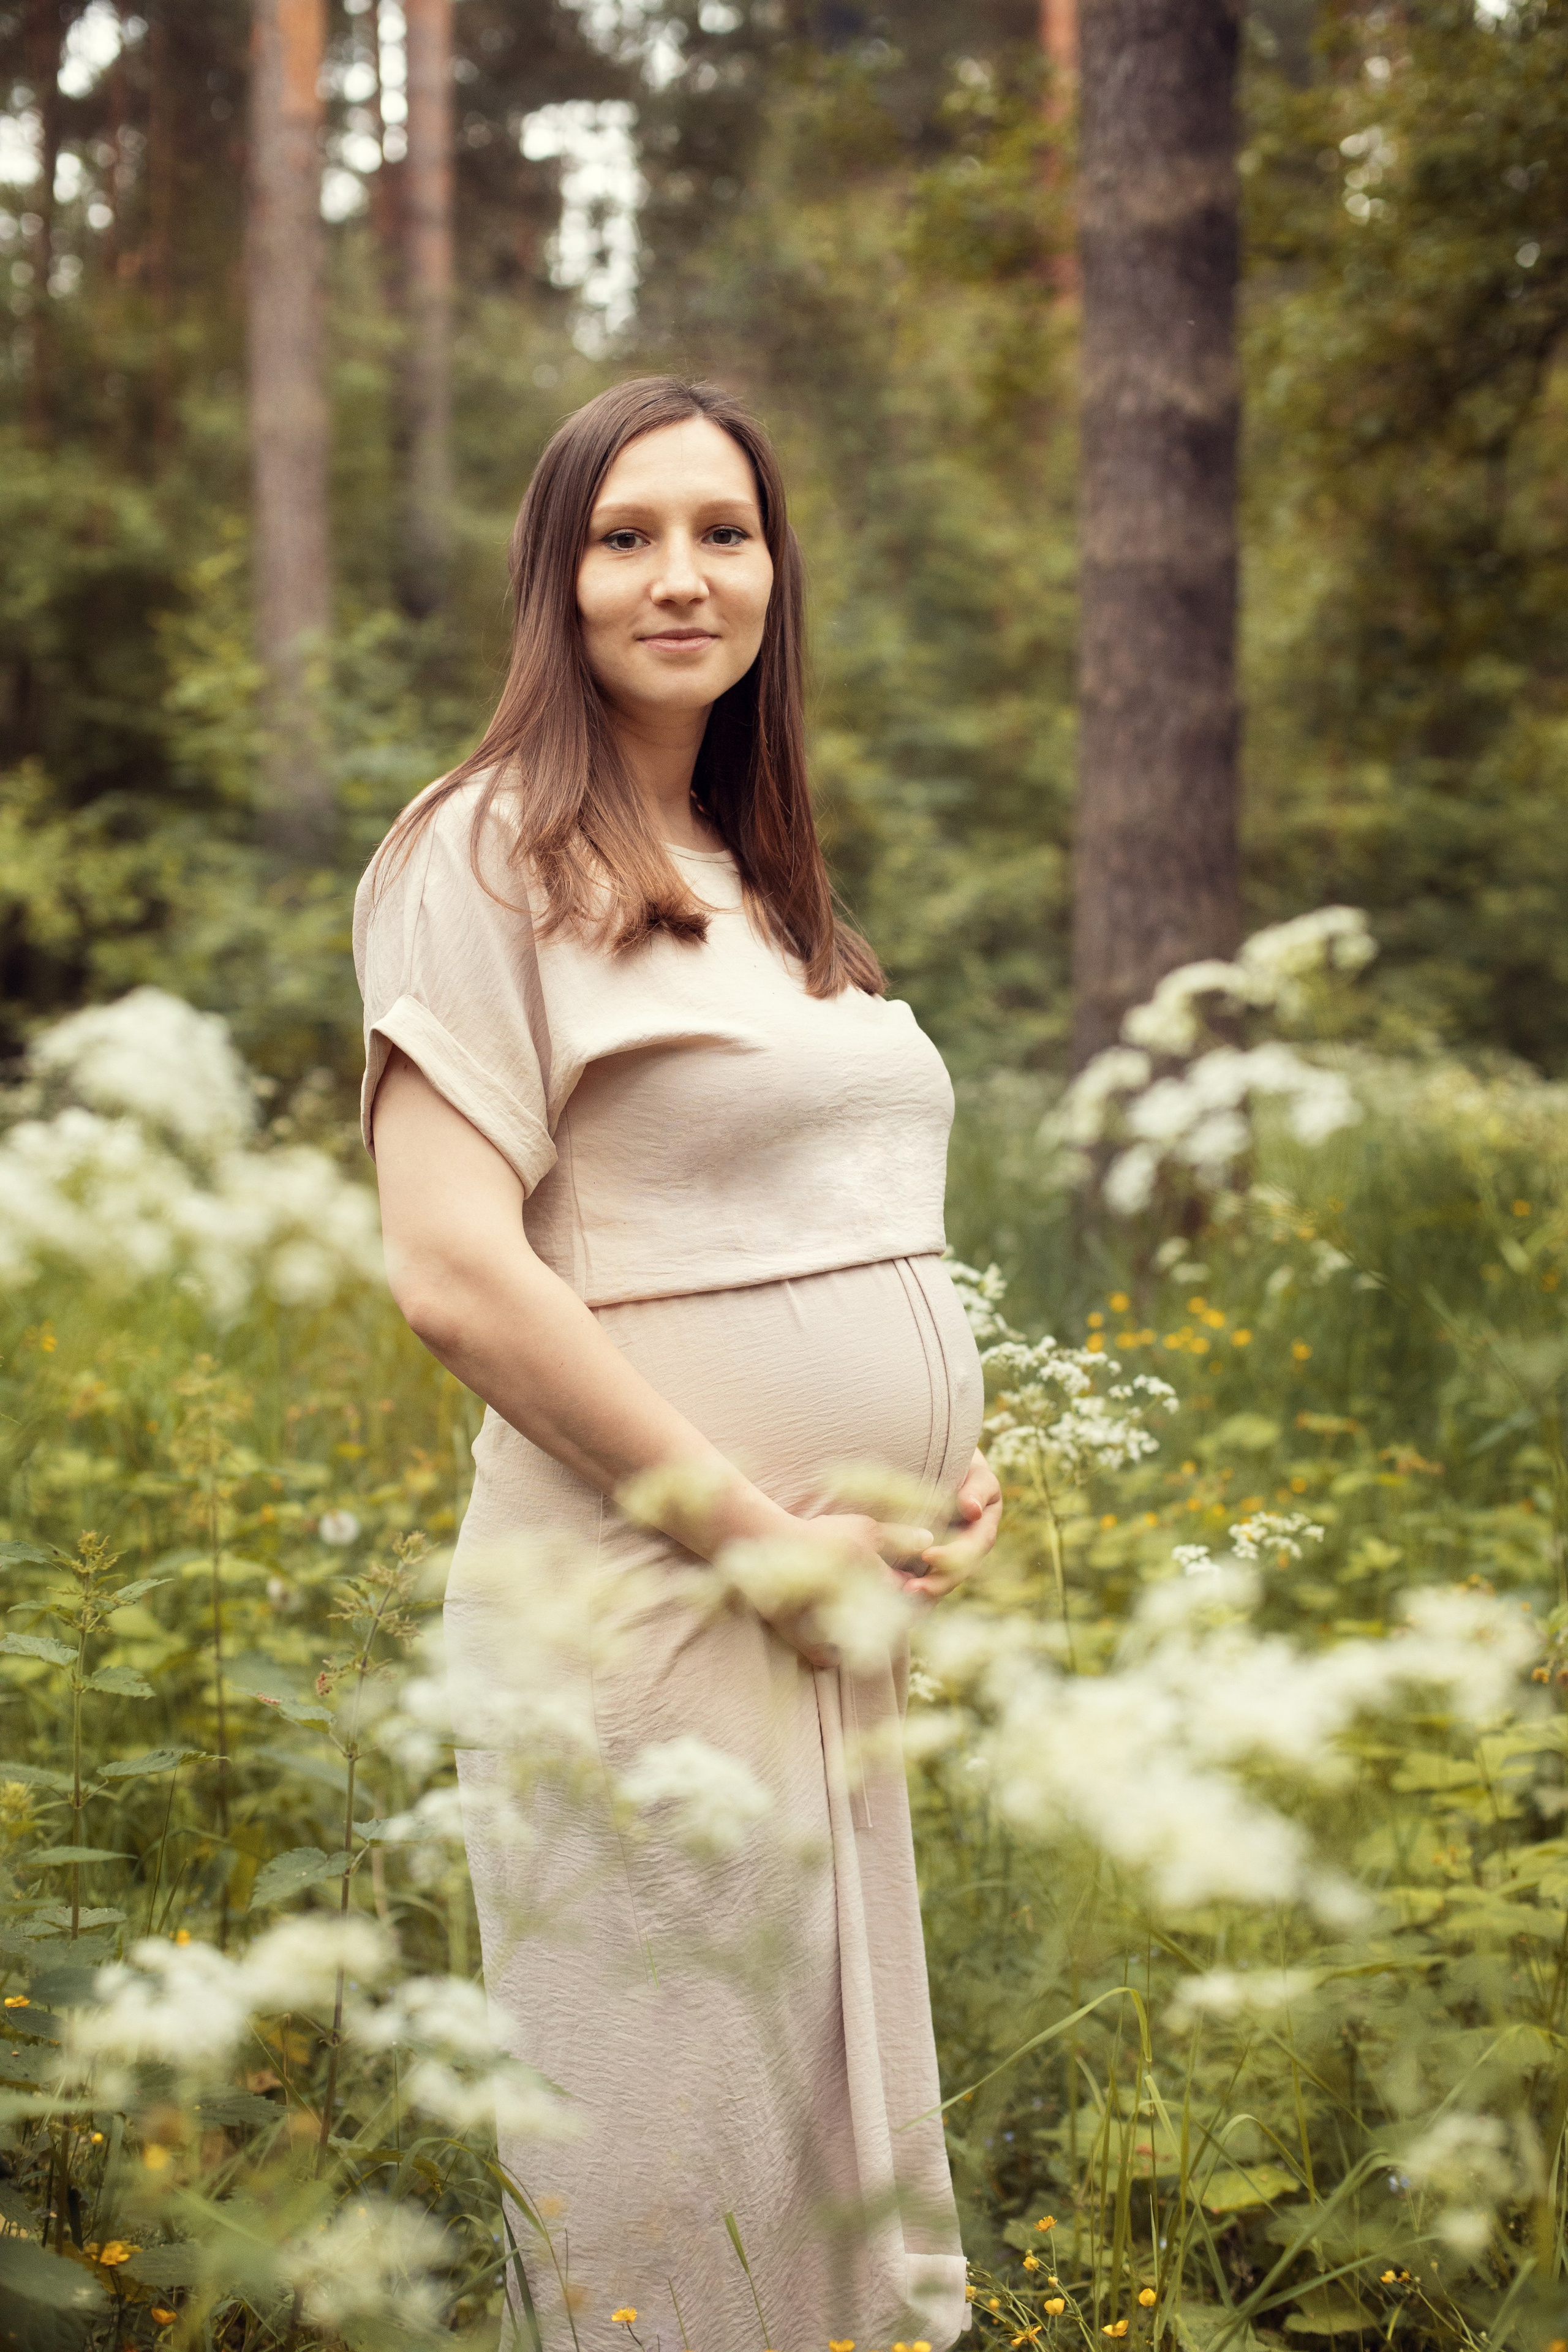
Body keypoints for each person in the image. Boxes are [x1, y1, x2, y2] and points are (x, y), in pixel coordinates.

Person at [356, 375, 1002, 2352]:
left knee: (818, 2181)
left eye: (723, 531)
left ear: (775, 573)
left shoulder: (761, 871)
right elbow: (457, 1273)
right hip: (646, 1602)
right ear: (554, 578)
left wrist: (944, 1482)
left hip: (818, 1615)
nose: (679, 576)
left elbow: (833, 1222)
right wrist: (761, 1540)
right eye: (626, 536)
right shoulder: (480, 852)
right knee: (672, 2198)